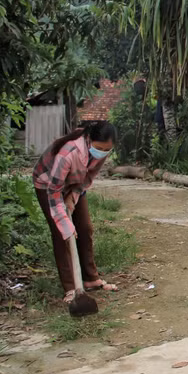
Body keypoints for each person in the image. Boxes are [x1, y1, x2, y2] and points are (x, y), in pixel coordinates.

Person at [33, 121, 118, 303]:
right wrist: (65, 223)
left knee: (85, 228)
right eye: (99, 148)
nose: (102, 152)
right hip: (48, 184)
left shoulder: (101, 151)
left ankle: (90, 279)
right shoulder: (69, 153)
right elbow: (54, 191)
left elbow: (89, 176)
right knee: (62, 234)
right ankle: (71, 287)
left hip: (74, 183)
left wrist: (74, 196)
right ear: (89, 140)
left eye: (106, 149)